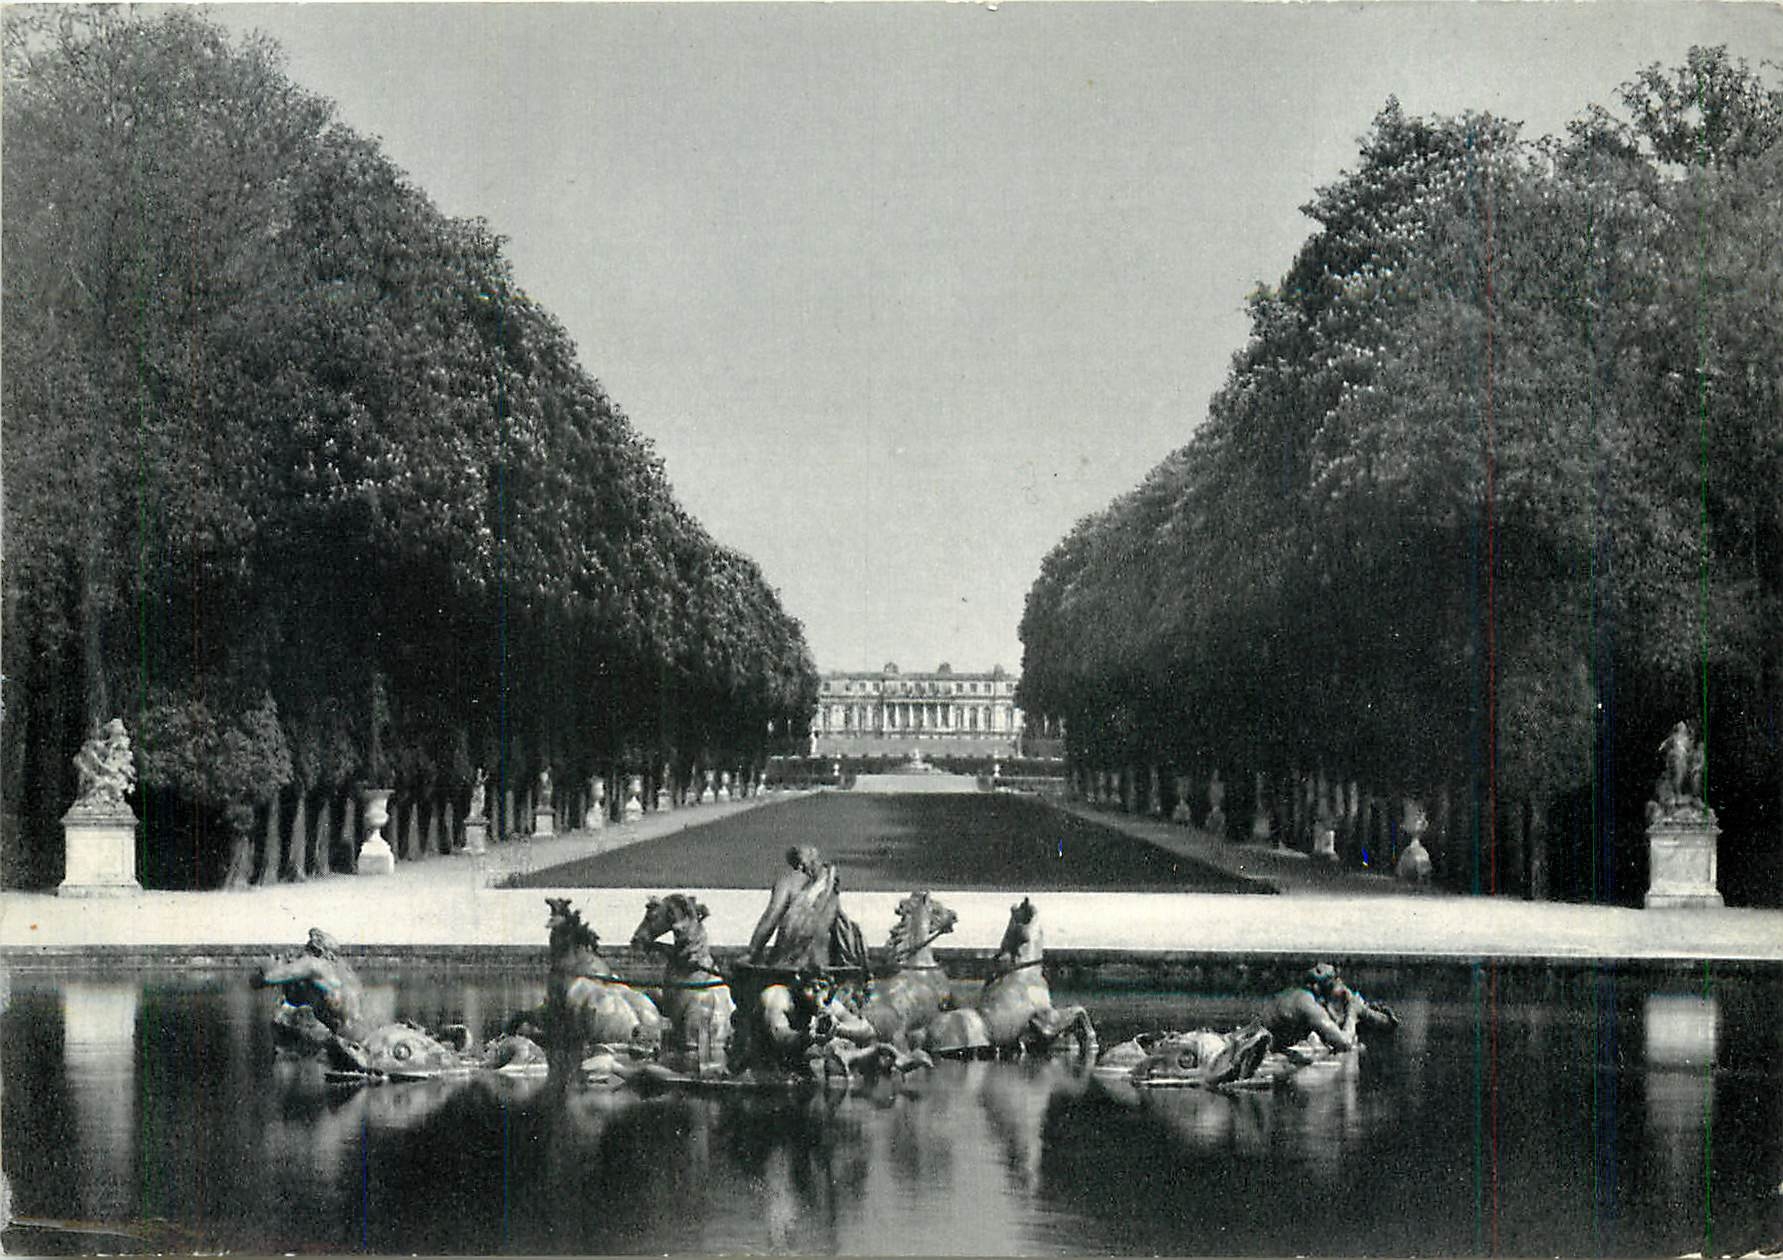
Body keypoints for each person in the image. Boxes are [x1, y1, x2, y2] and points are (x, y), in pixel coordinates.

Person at [251, 928, 369, 1045]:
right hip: (358, 1031)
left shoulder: (313, 964)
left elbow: (269, 978)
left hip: (343, 1035)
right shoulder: (345, 970)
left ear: (315, 950)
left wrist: (267, 966)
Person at [1259, 962, 1395, 1054]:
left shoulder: (1298, 995)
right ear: (1318, 988)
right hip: (1262, 1053)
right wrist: (1352, 1014)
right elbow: (1344, 1044)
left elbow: (1331, 1028)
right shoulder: (1308, 1006)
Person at [748, 845, 843, 970]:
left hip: (790, 961)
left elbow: (771, 918)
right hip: (822, 962)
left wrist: (752, 953)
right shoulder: (829, 882)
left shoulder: (790, 880)